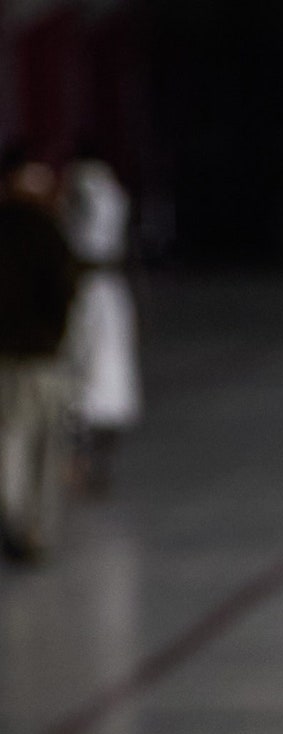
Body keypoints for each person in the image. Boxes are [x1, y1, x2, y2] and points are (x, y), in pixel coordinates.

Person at [0, 147, 77, 562]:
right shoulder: (46, 231)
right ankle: (30, 527)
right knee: (40, 447)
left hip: (10, 356)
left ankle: (15, 518)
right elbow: (64, 291)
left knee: (10, 440)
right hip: (40, 357)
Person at [62, 157, 141, 490]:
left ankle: (89, 463)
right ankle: (86, 462)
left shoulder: (87, 188)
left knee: (97, 378)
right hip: (101, 292)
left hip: (93, 294)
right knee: (97, 380)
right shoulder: (112, 194)